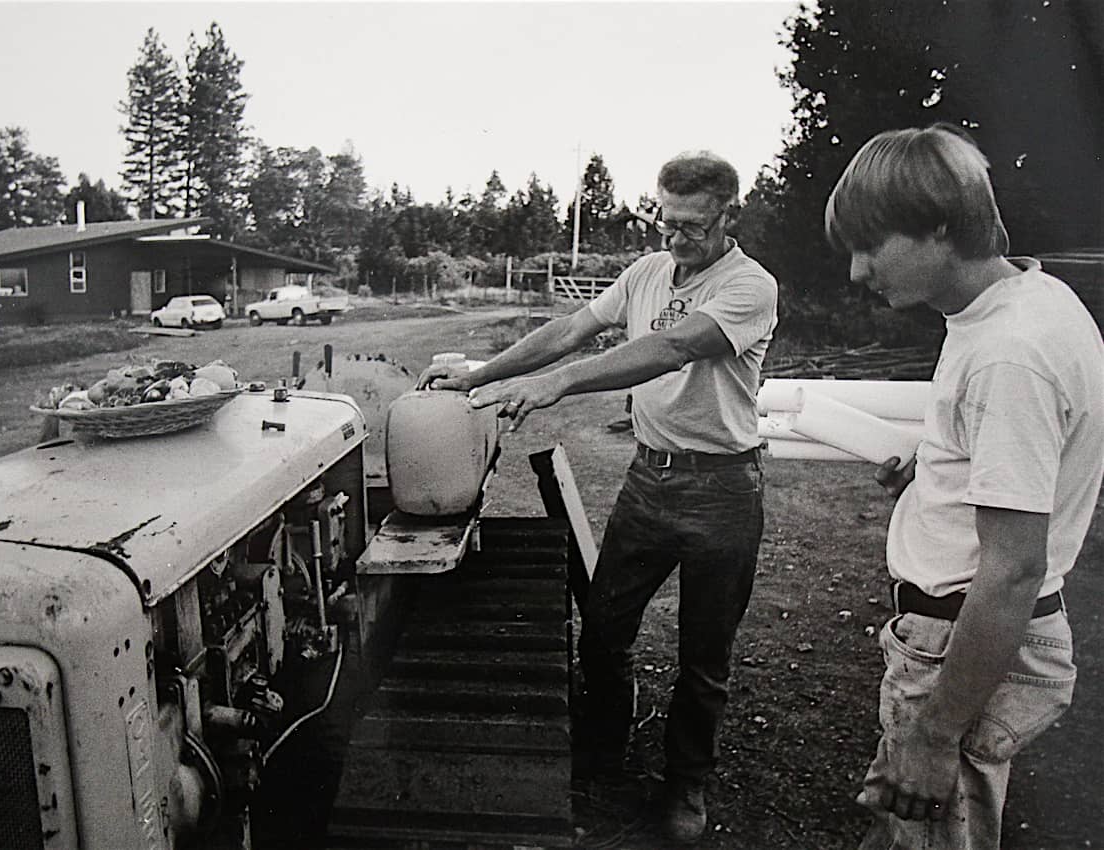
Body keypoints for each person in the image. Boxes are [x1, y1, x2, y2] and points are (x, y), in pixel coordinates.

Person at [418, 151, 778, 842]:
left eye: (693, 227)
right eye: (665, 222)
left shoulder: (749, 287)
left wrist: (562, 385)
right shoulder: (647, 270)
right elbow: (569, 330)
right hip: (650, 480)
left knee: (704, 655)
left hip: (723, 490)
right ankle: (606, 745)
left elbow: (671, 348)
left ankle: (685, 785)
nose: (675, 239)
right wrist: (479, 376)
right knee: (604, 627)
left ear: (730, 215)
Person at [824, 123, 1104, 849]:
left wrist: (934, 737)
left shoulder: (1009, 355)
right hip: (955, 633)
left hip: (959, 643)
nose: (856, 271)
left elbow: (1012, 569)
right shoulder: (1016, 307)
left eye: (870, 245)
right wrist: (934, 473)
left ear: (939, 227)